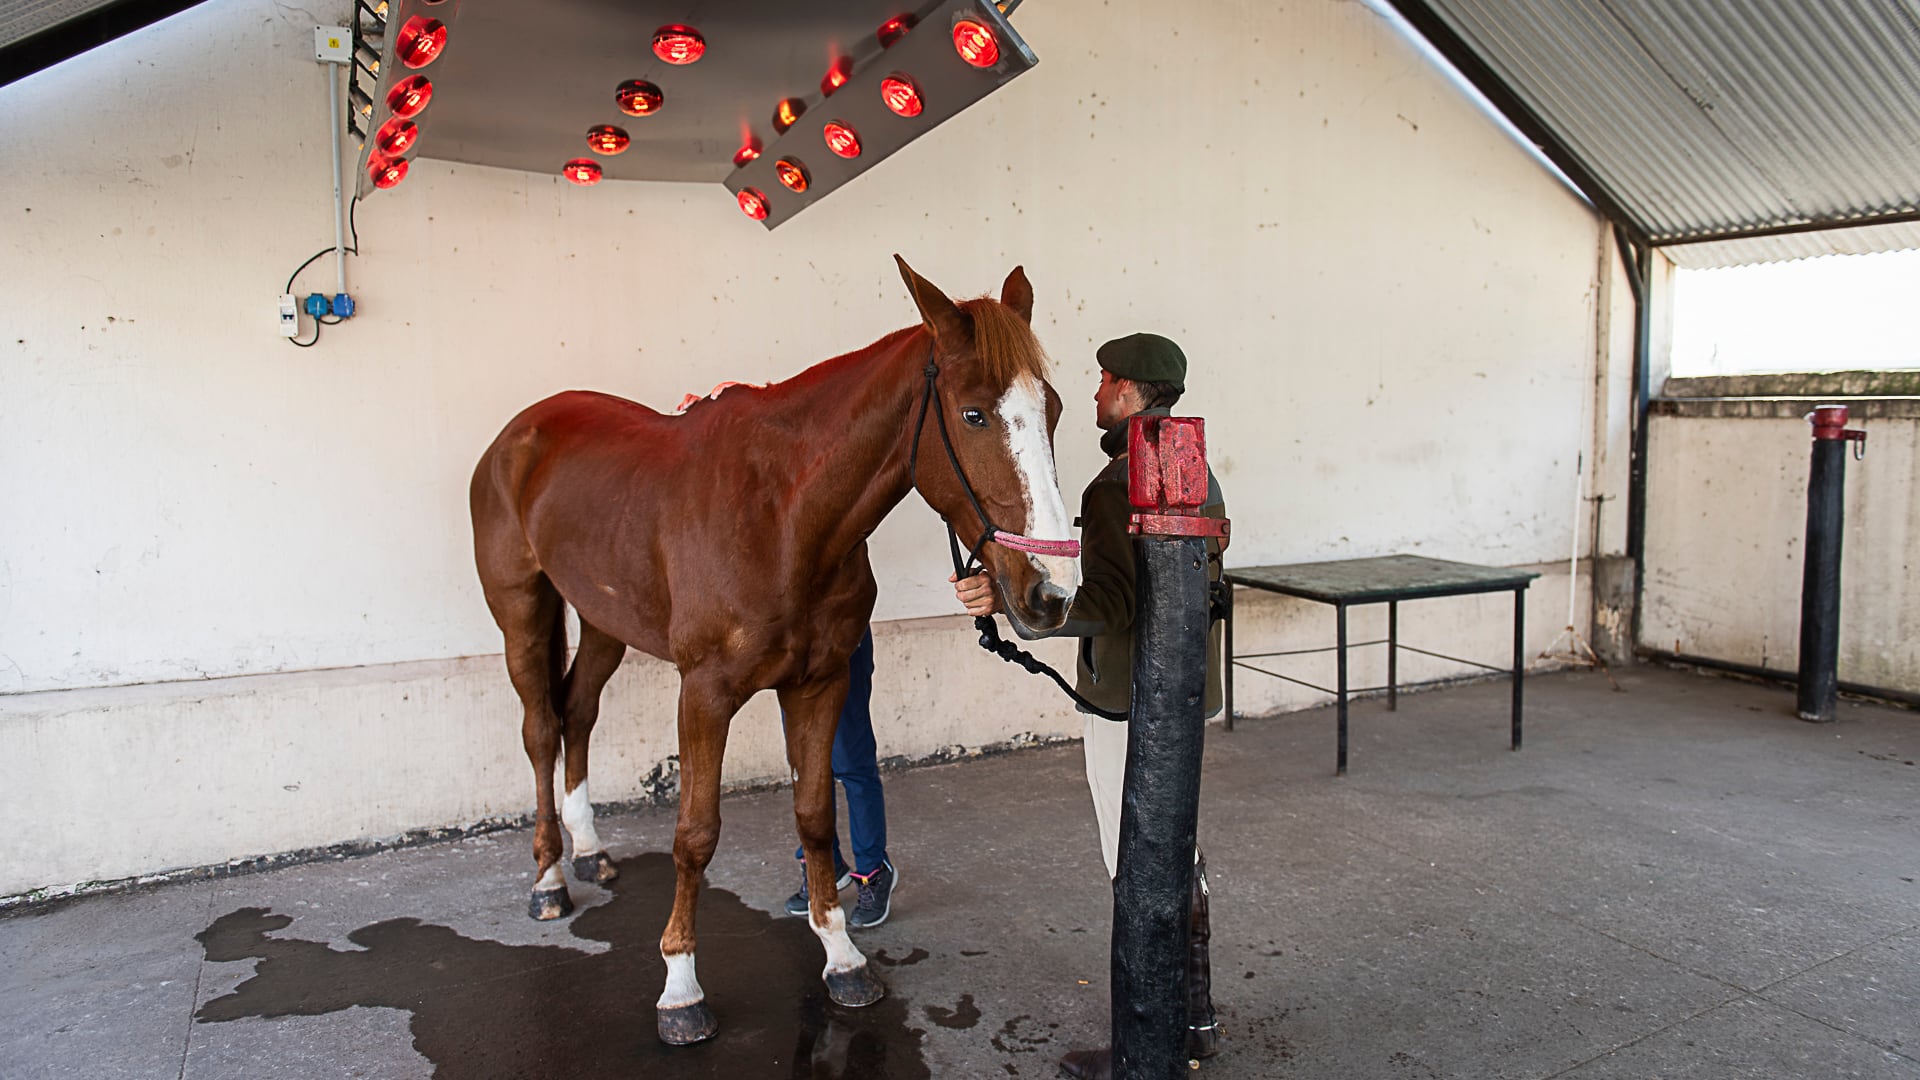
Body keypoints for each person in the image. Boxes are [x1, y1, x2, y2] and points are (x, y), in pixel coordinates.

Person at [953, 332, 1227, 1079]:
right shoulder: (1193, 469)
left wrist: (1016, 602)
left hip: (1125, 701)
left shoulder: (1114, 486)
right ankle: (1193, 1017)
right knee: (1177, 855)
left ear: (1132, 392)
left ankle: (1147, 1040)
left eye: (1106, 379)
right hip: (1183, 697)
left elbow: (1109, 605)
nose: (1097, 390)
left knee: (1132, 862)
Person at [781, 628, 899, 929]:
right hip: (792, 647)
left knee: (851, 764)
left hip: (839, 640)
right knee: (806, 767)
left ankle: (874, 870)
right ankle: (826, 863)